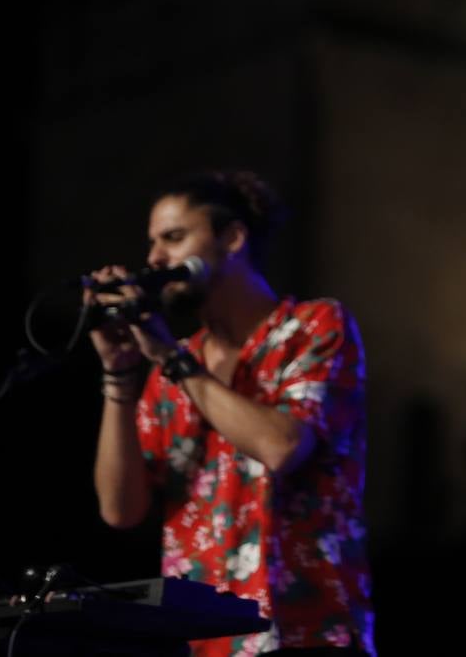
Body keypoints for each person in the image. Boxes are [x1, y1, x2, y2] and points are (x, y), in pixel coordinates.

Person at [89, 170, 374, 657]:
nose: (156, 259)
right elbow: (121, 509)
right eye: (153, 243)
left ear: (233, 238)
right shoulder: (170, 368)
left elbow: (283, 446)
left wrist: (174, 362)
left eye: (174, 238)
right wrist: (119, 374)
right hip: (202, 641)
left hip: (308, 631)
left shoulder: (314, 326)